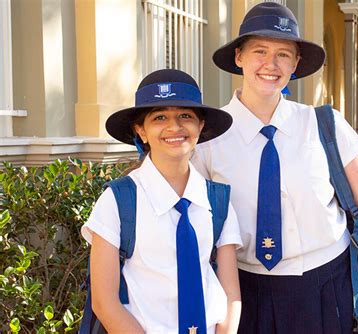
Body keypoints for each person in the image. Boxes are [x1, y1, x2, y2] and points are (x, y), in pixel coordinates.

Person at [191, 3, 358, 334]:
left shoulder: (324, 124)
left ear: (296, 64)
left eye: (283, 54)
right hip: (246, 291)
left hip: (328, 283)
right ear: (239, 57)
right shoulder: (207, 141)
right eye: (259, 51)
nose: (270, 64)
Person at [81, 69, 242, 333]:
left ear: (200, 127)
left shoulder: (218, 201)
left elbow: (231, 294)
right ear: (141, 131)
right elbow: (105, 301)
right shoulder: (118, 201)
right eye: (159, 117)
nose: (174, 127)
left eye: (185, 116)